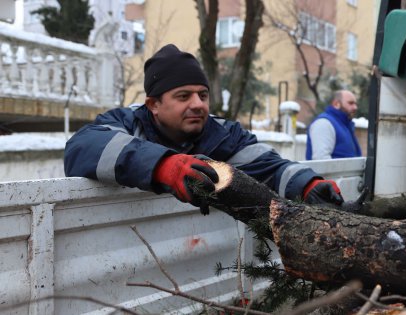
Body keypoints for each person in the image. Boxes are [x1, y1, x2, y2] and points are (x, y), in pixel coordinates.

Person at [64, 44, 343, 212]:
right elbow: (80, 148)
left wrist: (308, 184)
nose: (198, 104)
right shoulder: (125, 124)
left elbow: (269, 167)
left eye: (203, 94)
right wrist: (165, 167)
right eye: (183, 96)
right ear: (154, 104)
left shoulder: (223, 135)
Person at [306, 90, 362, 160]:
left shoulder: (345, 125)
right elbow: (321, 160)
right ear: (336, 104)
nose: (355, 107)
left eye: (355, 104)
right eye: (350, 103)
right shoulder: (324, 123)